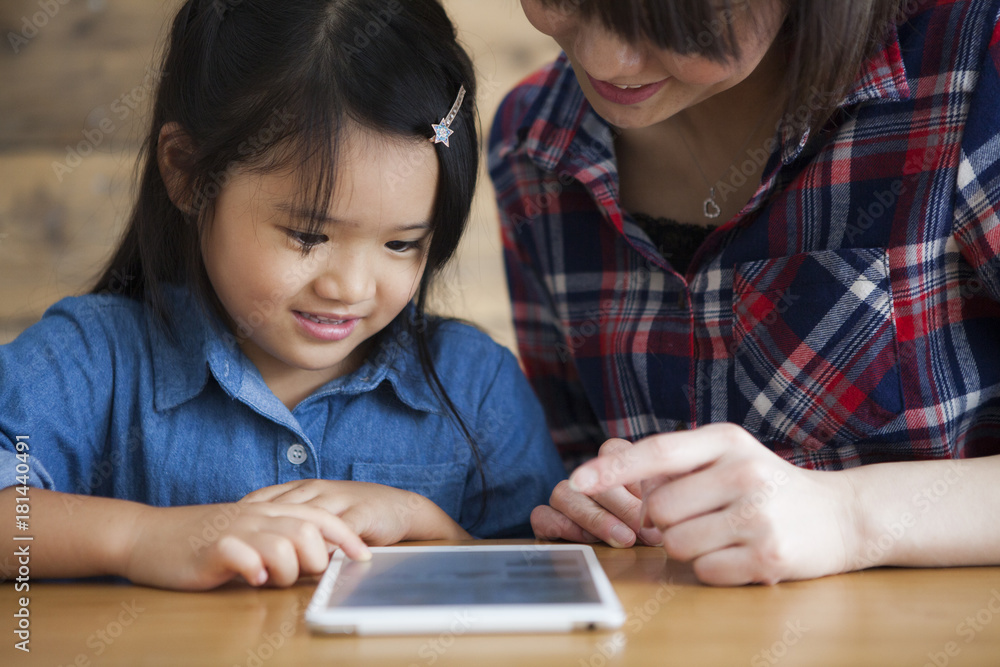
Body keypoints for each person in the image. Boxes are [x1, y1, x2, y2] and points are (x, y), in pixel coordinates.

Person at [0, 0, 565, 591]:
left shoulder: (475, 388)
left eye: (401, 245)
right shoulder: (96, 362)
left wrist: (435, 530)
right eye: (307, 235)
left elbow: (548, 573)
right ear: (187, 173)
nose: (348, 287)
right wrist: (138, 537)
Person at [490, 0, 1000, 585]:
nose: (606, 59)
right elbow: (577, 461)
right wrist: (596, 506)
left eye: (675, 21)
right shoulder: (531, 145)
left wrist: (849, 515)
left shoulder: (971, 64)